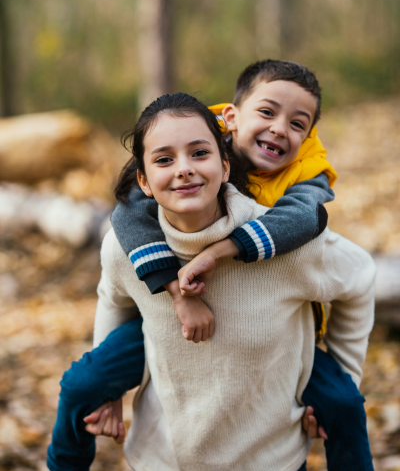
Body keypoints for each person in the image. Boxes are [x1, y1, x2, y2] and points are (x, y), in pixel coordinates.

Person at [46, 63, 373, 470]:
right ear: (232, 120)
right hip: (167, 331)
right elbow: (127, 216)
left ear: (224, 166)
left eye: (297, 123)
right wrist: (176, 294)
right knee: (84, 383)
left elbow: (311, 221)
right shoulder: (191, 140)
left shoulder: (308, 174)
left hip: (283, 327)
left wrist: (219, 252)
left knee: (342, 402)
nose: (278, 129)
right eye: (267, 113)